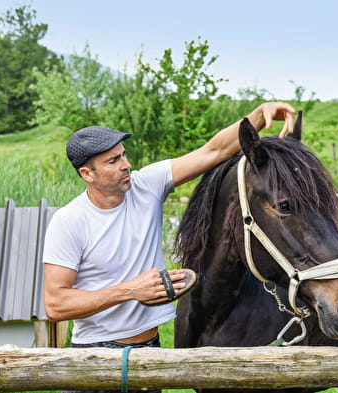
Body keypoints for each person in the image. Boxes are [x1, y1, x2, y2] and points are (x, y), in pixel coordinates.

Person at [43, 101, 295, 393]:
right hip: (92, 357)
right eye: (112, 161)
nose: (126, 165)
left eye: (123, 155)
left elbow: (212, 151)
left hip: (150, 353)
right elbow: (55, 304)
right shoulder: (69, 222)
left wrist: (259, 115)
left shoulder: (145, 185)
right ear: (87, 174)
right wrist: (130, 290)